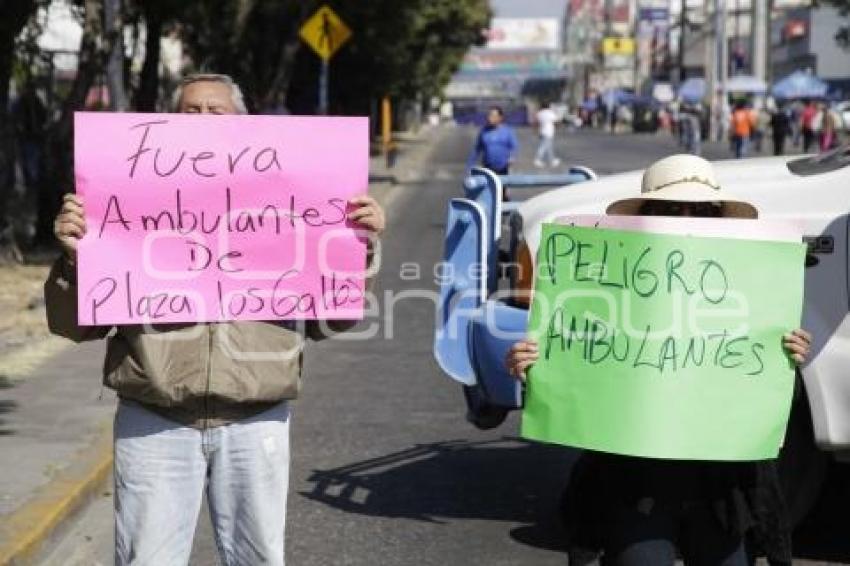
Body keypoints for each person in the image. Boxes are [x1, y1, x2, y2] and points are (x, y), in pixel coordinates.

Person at [45, 73, 386, 566]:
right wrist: (76, 258)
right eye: (189, 111)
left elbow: (330, 322)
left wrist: (359, 248)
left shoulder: (289, 199)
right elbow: (74, 327)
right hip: (154, 420)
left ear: (245, 126)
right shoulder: (122, 198)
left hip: (257, 420)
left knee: (257, 559)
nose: (201, 121)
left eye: (216, 111)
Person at [505, 154, 812, 566]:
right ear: (647, 214)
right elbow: (578, 366)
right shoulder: (608, 287)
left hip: (723, 492)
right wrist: (532, 366)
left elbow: (771, 405)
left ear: (720, 218)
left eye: (701, 210)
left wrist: (788, 363)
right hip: (636, 487)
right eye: (670, 209)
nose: (685, 218)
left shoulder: (754, 287)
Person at [467, 106, 518, 176]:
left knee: (500, 186)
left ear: (500, 118)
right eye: (489, 115)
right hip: (488, 168)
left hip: (503, 168)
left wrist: (512, 157)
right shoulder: (483, 132)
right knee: (489, 186)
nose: (490, 118)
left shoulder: (507, 131)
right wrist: (470, 166)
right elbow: (477, 149)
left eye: (493, 116)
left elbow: (514, 146)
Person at [534, 101, 561, 168]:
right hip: (548, 132)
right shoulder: (550, 113)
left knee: (549, 147)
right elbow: (556, 121)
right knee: (543, 147)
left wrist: (536, 130)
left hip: (542, 131)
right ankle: (537, 159)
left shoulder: (540, 113)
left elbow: (536, 122)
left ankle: (552, 160)